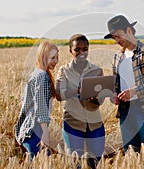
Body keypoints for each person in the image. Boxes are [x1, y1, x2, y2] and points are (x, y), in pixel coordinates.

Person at [104, 15, 144, 153]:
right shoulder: (117, 57)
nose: (117, 41)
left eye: (119, 36)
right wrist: (113, 95)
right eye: (114, 38)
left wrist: (135, 91)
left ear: (129, 30)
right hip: (125, 111)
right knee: (130, 154)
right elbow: (115, 84)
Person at [56, 34, 105, 169]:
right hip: (73, 122)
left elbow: (101, 99)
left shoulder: (97, 70)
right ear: (70, 51)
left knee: (96, 163)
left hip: (95, 122)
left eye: (85, 49)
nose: (81, 53)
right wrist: (78, 90)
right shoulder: (64, 71)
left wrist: (95, 99)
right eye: (77, 49)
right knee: (75, 163)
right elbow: (59, 95)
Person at [15, 41, 59, 161]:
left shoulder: (38, 73)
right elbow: (40, 106)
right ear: (43, 57)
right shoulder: (42, 76)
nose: (56, 61)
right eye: (52, 58)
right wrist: (45, 133)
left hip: (31, 129)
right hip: (34, 131)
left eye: (57, 57)